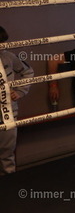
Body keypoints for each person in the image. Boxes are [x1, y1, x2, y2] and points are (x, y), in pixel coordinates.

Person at [0, 26, 34, 175]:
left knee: (7, 151)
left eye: (2, 43)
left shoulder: (8, 56)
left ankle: (9, 181)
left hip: (7, 110)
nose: (1, 46)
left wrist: (20, 91)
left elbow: (28, 71)